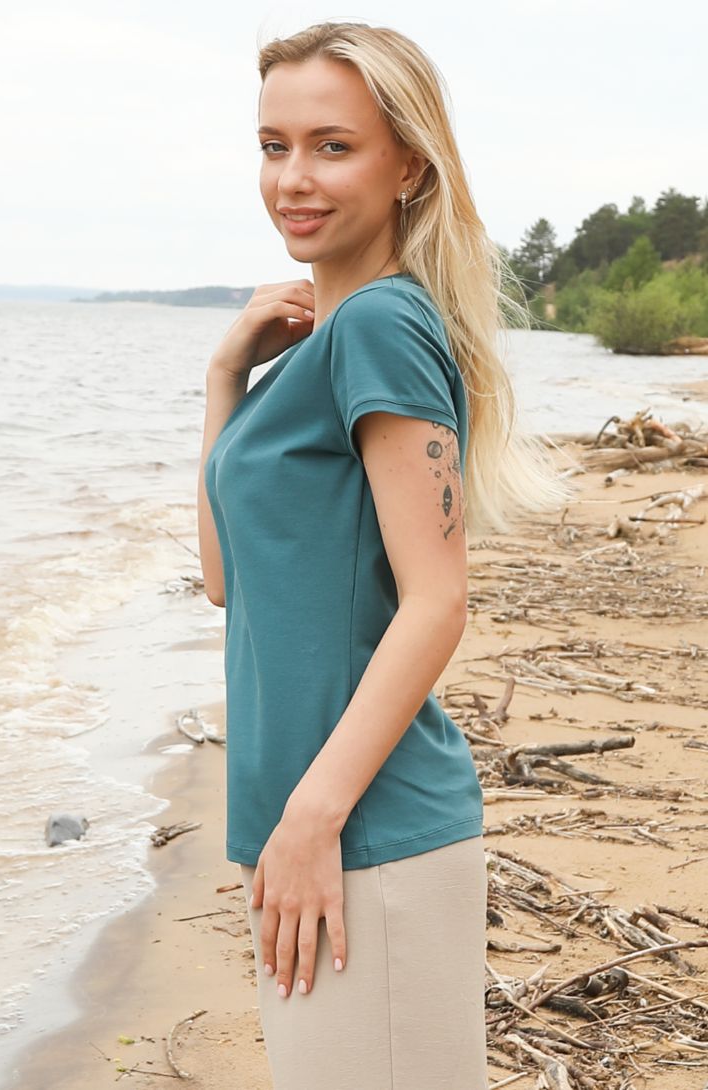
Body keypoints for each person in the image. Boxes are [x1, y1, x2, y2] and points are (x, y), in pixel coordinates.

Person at [197, 20, 572, 1090]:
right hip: (303, 829)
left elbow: (437, 601)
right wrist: (225, 381)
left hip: (365, 831)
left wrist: (312, 819)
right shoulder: (321, 347)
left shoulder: (380, 327)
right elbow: (227, 583)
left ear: (408, 163)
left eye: (332, 145)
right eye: (273, 146)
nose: (293, 179)